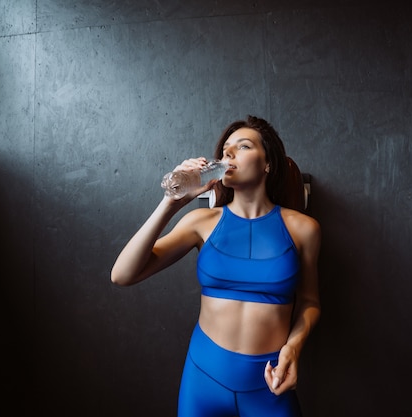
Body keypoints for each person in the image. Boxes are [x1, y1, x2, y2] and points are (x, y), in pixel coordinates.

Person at [111, 115, 321, 417]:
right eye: (225, 151)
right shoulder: (201, 223)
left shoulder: (304, 229)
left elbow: (310, 303)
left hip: (270, 382)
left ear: (268, 164)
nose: (229, 154)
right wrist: (171, 202)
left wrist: (294, 347)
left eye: (243, 146)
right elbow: (122, 274)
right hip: (204, 379)